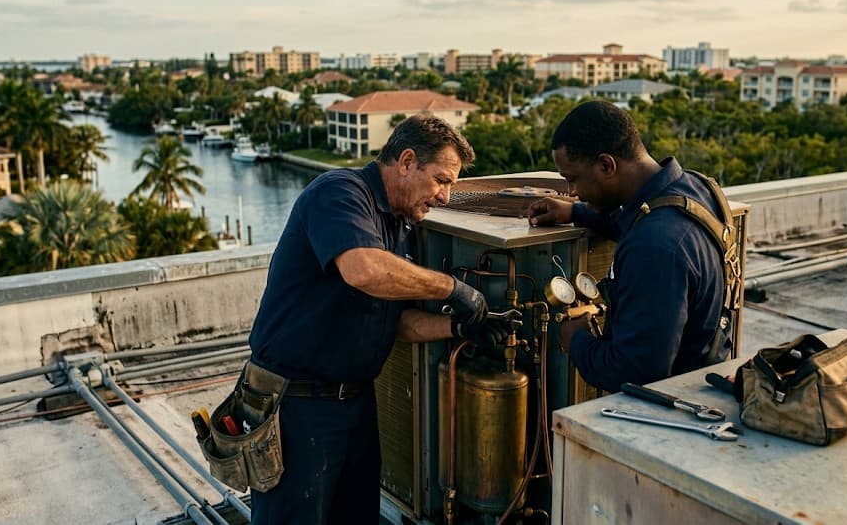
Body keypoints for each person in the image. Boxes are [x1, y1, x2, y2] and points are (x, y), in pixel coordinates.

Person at [248, 114, 515, 524]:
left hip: (353, 404)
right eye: (441, 180)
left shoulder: (397, 223)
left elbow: (396, 322)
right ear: (407, 161)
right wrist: (453, 289)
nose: (445, 197)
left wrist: (461, 328)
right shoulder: (339, 193)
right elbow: (365, 271)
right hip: (296, 405)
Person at [526, 100, 734, 392]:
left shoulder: (654, 246)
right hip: (710, 370)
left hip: (677, 404)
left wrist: (575, 338)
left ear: (606, 165)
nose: (573, 192)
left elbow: (634, 372)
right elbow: (639, 218)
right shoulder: (696, 188)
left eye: (573, 179)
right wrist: (576, 213)